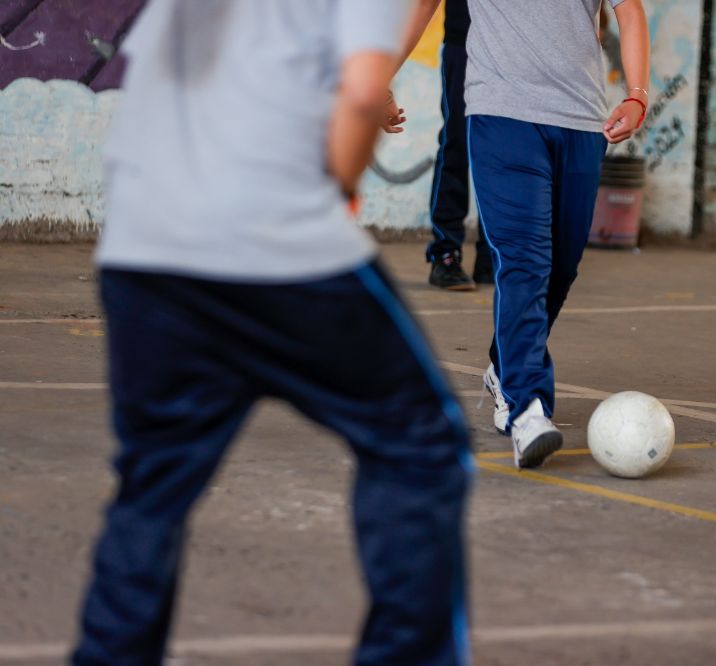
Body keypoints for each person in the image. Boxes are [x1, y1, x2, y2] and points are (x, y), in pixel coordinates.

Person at [72, 2, 472, 665]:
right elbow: (365, 91)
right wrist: (340, 181)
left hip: (142, 244)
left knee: (152, 485)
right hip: (276, 248)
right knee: (419, 445)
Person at [403, 0, 650, 468]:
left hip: (580, 118)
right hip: (501, 112)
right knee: (525, 261)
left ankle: (505, 367)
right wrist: (377, 79)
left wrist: (637, 94)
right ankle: (528, 409)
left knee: (561, 266)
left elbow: (630, 10)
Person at [426, 0, 493, 291]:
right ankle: (445, 253)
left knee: (504, 151)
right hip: (462, 43)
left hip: (513, 52)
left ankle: (492, 255)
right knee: (457, 142)